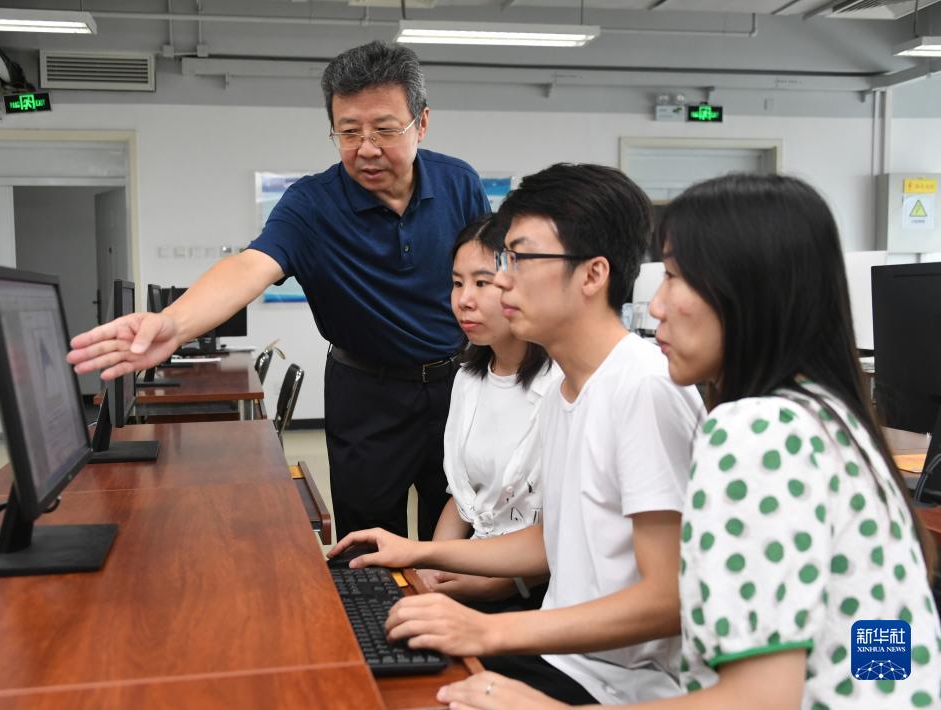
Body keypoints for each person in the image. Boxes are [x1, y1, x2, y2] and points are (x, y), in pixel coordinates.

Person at [436, 174, 941, 709]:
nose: (655, 306)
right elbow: (878, 662)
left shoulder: (758, 432)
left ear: (745, 290)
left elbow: (761, 700)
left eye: (675, 277)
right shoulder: (825, 417)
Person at [66, 41, 490, 541]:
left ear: (421, 123)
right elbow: (251, 265)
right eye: (348, 132)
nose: (366, 148)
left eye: (384, 129)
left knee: (466, 529)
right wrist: (173, 324)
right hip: (366, 394)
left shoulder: (459, 183)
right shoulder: (312, 205)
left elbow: (491, 277)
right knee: (369, 543)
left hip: (460, 384)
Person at [329, 163, 704, 705]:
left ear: (593, 275)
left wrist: (487, 631)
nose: (503, 281)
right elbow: (550, 540)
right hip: (562, 655)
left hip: (623, 685)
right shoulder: (565, 392)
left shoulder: (642, 387)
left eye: (519, 260)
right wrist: (415, 551)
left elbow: (667, 599)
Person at [418, 214, 560, 609]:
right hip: (474, 567)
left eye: (482, 283)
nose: (464, 300)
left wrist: (499, 585)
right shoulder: (468, 378)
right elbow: (464, 499)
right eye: (457, 283)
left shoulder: (561, 385)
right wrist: (430, 568)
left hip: (537, 589)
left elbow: (564, 532)